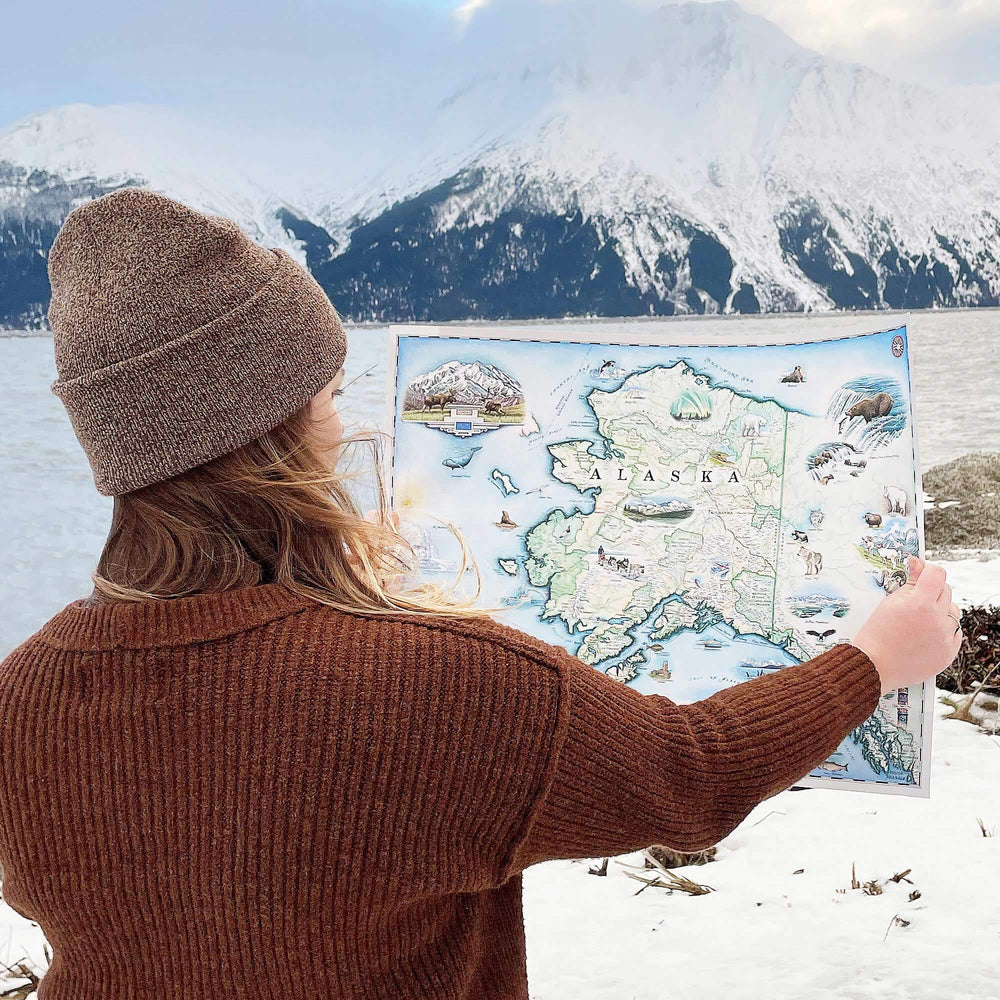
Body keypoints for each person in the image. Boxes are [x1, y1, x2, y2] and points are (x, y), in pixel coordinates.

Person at [0, 188, 962, 1000]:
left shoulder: (20, 695)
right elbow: (690, 777)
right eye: (330, 395)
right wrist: (873, 661)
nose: (345, 423)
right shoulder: (435, 689)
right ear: (273, 431)